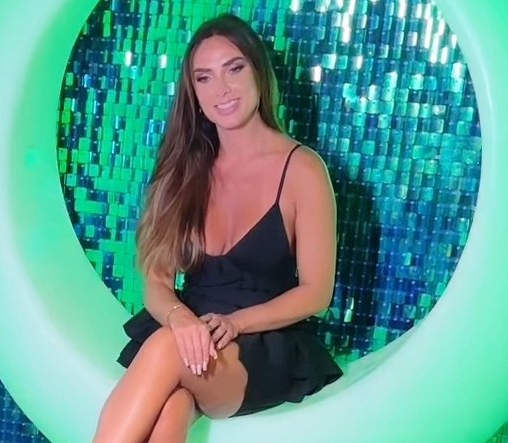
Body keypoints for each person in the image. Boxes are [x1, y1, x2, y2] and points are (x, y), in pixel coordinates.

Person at [92, 13, 343, 443]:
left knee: (165, 348)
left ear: (258, 71)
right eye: (204, 78)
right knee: (171, 410)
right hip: (190, 333)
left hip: (260, 343)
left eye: (234, 69)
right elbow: (156, 283)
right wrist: (182, 320)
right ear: (193, 93)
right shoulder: (183, 169)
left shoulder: (303, 169)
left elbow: (316, 293)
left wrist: (236, 323)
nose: (221, 90)